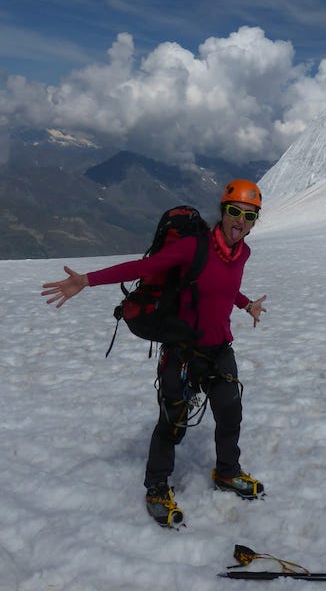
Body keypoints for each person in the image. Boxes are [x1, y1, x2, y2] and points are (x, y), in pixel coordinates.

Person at [42, 179, 267, 526]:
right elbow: (142, 268)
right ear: (222, 212)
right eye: (235, 212)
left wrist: (246, 303)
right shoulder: (194, 247)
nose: (241, 221)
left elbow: (224, 287)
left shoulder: (244, 253)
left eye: (249, 216)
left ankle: (227, 472)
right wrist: (86, 280)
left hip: (219, 346)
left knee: (229, 411)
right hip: (183, 347)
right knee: (172, 421)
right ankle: (157, 486)